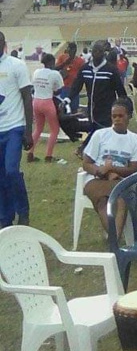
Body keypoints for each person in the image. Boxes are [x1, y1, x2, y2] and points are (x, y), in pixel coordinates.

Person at [82, 99, 137, 236]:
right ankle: (115, 239)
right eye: (114, 116)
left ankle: (113, 240)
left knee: (122, 199)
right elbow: (86, 163)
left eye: (121, 116)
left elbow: (134, 169)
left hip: (119, 180)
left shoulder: (136, 140)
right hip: (96, 179)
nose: (117, 119)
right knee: (102, 202)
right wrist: (101, 171)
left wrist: (112, 169)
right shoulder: (100, 135)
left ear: (129, 116)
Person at [0, 31, 33, 228]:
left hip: (14, 127)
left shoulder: (16, 65)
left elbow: (27, 98)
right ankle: (5, 216)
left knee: (11, 171)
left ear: (4, 43)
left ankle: (23, 210)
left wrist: (29, 131)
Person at [68, 40, 127, 138]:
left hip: (107, 111)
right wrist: (68, 99)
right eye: (95, 51)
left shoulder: (111, 70)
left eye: (100, 51)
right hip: (92, 111)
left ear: (104, 53)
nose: (97, 54)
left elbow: (120, 90)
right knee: (94, 135)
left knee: (105, 135)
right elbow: (76, 86)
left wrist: (125, 106)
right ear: (92, 52)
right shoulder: (85, 69)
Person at [29, 53, 64, 163]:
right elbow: (59, 90)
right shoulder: (55, 74)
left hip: (36, 101)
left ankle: (30, 153)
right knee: (54, 129)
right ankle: (48, 156)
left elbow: (33, 87)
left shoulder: (36, 72)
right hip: (47, 102)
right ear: (52, 62)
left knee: (38, 128)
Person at [56, 42, 85, 111]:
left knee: (74, 108)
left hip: (74, 88)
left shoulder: (80, 61)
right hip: (64, 87)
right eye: (68, 49)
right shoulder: (62, 57)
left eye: (71, 49)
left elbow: (82, 74)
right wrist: (65, 64)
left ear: (75, 50)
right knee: (63, 108)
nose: (69, 51)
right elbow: (56, 68)